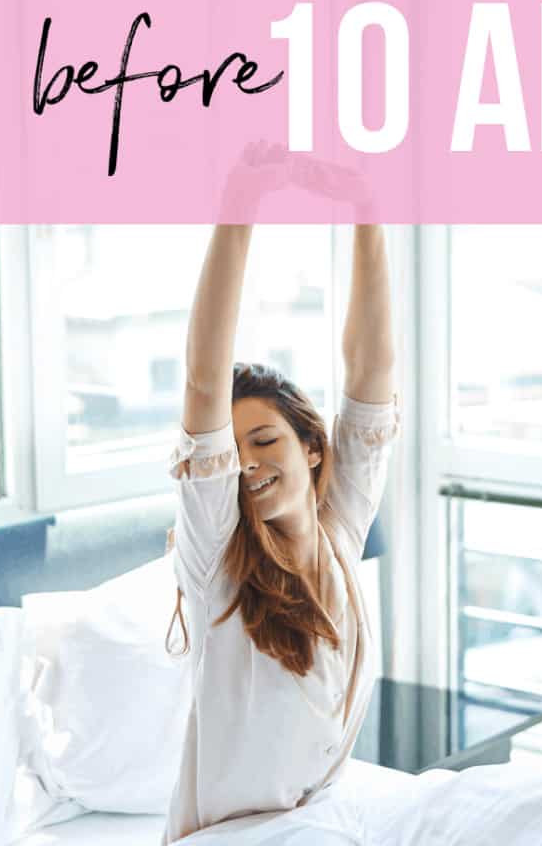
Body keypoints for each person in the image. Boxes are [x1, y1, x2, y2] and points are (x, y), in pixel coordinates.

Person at [161, 221, 400, 844]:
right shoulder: (216, 562)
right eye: (232, 449)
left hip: (321, 815)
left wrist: (368, 213)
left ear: (314, 448)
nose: (245, 463)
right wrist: (238, 216)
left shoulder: (339, 531)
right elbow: (202, 383)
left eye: (265, 441)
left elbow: (372, 366)